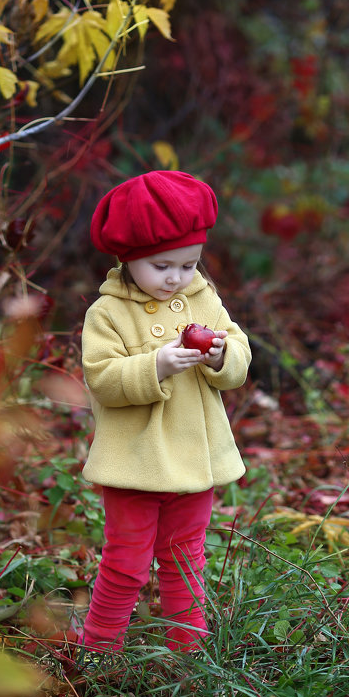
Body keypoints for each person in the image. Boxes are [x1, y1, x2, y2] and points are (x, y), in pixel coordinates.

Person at [78, 170, 252, 656]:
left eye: (188, 263)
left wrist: (220, 355)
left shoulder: (202, 296)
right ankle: (100, 649)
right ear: (127, 258)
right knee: (126, 562)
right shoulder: (108, 314)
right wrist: (154, 365)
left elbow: (237, 349)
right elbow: (103, 378)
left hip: (193, 460)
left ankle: (187, 652)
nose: (176, 277)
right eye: (161, 265)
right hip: (135, 464)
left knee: (185, 559)